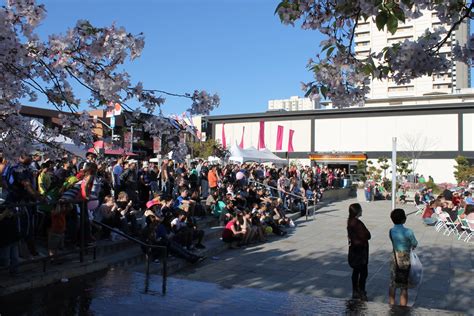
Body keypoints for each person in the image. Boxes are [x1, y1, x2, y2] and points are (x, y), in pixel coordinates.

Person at [388, 208, 418, 307]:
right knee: (404, 286)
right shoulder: (408, 231)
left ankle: (391, 305)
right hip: (405, 258)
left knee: (393, 283)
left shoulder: (391, 231)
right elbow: (414, 243)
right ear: (404, 219)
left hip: (394, 257)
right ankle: (402, 308)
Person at [347, 203, 371, 301]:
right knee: (363, 272)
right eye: (360, 209)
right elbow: (367, 235)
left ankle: (355, 291)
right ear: (357, 211)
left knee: (356, 271)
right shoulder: (357, 223)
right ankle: (361, 291)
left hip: (354, 250)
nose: (362, 210)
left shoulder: (350, 222)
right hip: (360, 251)